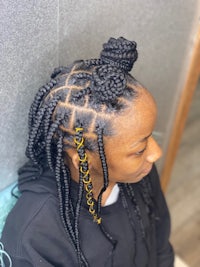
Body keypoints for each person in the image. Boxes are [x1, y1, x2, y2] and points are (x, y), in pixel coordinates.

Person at [0, 37, 174, 267]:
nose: (156, 152)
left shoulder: (140, 172)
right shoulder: (32, 235)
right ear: (82, 159)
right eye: (140, 149)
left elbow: (160, 242)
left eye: (149, 137)